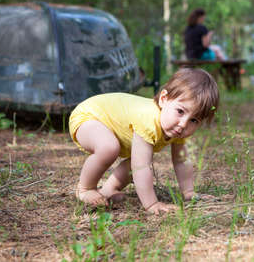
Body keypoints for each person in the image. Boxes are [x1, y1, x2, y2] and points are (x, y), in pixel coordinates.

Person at [69, 68, 219, 214]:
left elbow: (181, 161)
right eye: (180, 111)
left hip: (109, 126)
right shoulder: (148, 119)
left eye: (194, 120)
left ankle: (108, 190)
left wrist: (188, 191)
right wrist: (151, 204)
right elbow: (140, 168)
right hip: (89, 116)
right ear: (163, 99)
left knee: (138, 159)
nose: (183, 124)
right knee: (110, 148)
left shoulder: (180, 129)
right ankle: (85, 189)